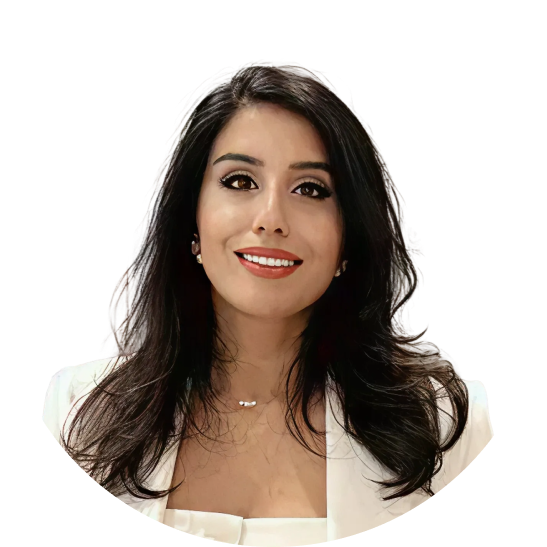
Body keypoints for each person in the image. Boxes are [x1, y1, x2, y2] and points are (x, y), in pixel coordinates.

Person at [43, 64, 525, 547]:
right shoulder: (78, 416)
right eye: (240, 181)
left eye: (310, 189)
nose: (270, 218)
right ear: (192, 219)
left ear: (349, 237)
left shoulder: (444, 427)